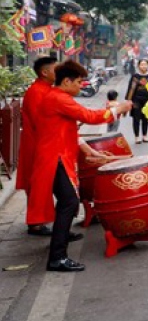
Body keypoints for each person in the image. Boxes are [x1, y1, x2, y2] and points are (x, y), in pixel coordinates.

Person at [33, 61, 132, 271]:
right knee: (69, 203)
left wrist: (90, 151)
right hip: (55, 158)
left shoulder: (57, 97)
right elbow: (89, 116)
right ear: (66, 81)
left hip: (56, 156)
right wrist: (118, 110)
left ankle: (58, 253)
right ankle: (57, 257)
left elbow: (68, 129)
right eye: (78, 82)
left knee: (67, 203)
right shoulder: (59, 98)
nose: (81, 86)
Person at [18, 56, 58, 236]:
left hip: (44, 142)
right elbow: (39, 121)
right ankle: (35, 223)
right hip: (36, 143)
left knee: (43, 184)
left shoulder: (46, 89)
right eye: (55, 69)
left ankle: (40, 220)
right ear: (45, 72)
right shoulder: (36, 92)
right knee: (36, 184)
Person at [126, 59, 148, 144]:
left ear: (147, 65)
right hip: (136, 99)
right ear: (138, 66)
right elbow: (131, 89)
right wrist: (129, 100)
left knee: (146, 118)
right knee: (136, 118)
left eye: (145, 64)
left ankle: (145, 135)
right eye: (142, 65)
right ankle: (137, 137)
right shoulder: (135, 77)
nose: (143, 66)